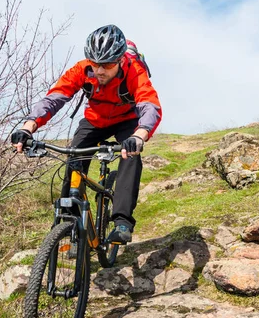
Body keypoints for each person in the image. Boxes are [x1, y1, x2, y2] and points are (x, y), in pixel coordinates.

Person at [11, 24, 162, 244]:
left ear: (120, 60)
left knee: (130, 156)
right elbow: (55, 98)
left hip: (126, 122)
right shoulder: (82, 70)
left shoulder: (134, 71)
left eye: (107, 64)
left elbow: (150, 105)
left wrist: (139, 135)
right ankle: (69, 220)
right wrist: (28, 126)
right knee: (74, 156)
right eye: (95, 63)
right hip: (94, 120)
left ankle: (122, 222)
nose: (100, 70)